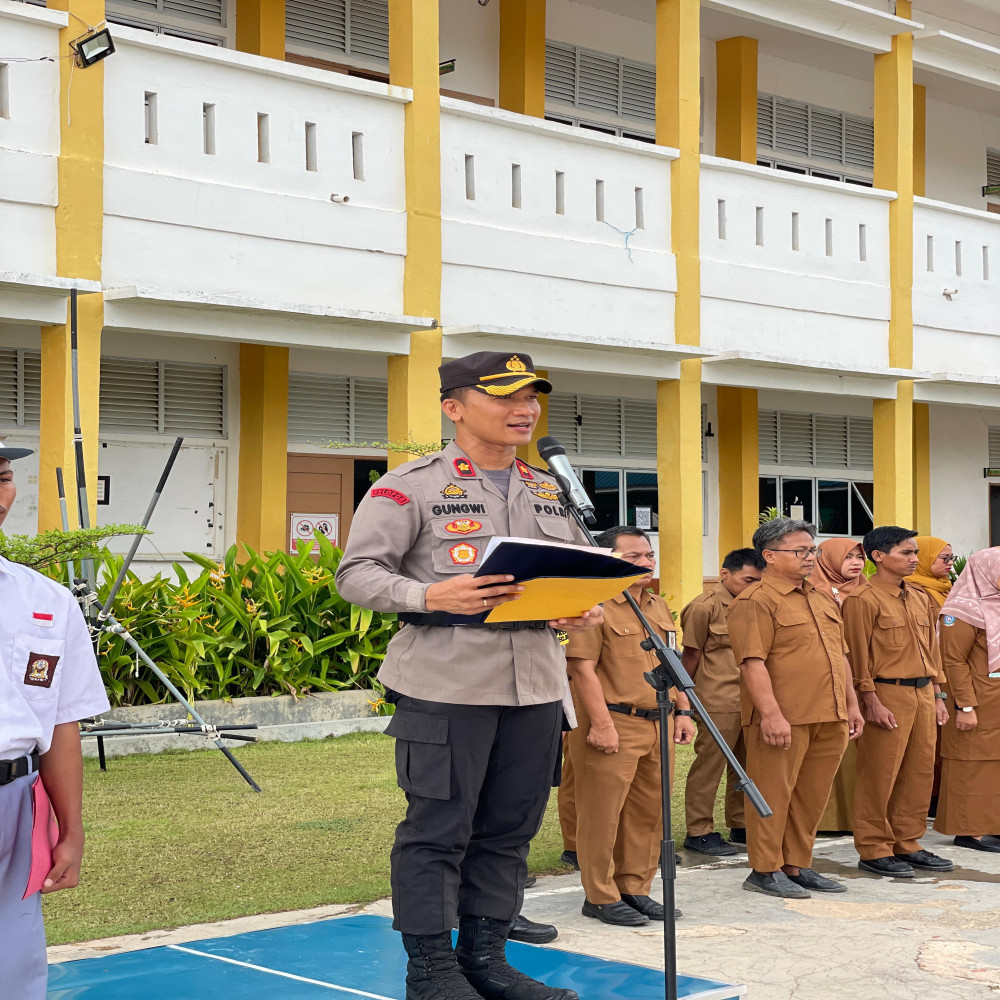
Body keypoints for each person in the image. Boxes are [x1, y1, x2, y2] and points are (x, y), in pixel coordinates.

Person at [335, 352, 602, 1000]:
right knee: (438, 830)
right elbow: (357, 574)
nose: (525, 409)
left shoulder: (549, 489)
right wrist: (431, 596)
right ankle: (431, 971)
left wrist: (575, 603)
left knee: (511, 828)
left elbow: (562, 570)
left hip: (535, 682)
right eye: (507, 396)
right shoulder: (410, 486)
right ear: (454, 406)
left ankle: (488, 958)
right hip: (446, 683)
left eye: (533, 397)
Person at [0, 439, 111, 1000]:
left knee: (14, 963)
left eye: (1, 478)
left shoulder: (47, 600)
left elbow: (62, 723)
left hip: (15, 801)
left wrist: (71, 830)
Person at [563, 526, 695, 926]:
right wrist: (601, 725)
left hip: (660, 720)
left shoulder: (655, 605)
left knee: (647, 812)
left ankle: (635, 888)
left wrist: (684, 709)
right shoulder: (592, 603)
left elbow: (671, 662)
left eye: (648, 555)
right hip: (614, 721)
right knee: (602, 814)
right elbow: (581, 669)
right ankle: (600, 896)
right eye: (632, 556)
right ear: (608, 559)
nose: (645, 563)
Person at [727, 518, 864, 899]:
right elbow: (752, 663)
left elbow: (841, 655)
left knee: (811, 795)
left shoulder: (821, 596)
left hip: (830, 712)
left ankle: (797, 864)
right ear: (769, 556)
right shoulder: (754, 601)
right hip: (784, 716)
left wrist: (851, 705)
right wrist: (771, 714)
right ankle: (765, 869)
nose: (810, 558)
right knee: (772, 794)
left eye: (812, 550)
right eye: (800, 551)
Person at [842, 526, 952, 877]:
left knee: (918, 771)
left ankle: (908, 841)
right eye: (906, 553)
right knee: (880, 771)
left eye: (915, 553)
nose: (914, 559)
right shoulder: (863, 600)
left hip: (922, 692)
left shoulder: (918, 596)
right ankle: (873, 846)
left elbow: (931, 652)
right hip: (886, 691)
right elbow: (856, 655)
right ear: (878, 556)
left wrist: (938, 695)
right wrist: (869, 700)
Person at [680, 548, 764, 857]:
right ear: (725, 574)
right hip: (717, 697)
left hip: (751, 696)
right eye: (747, 580)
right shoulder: (704, 607)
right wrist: (684, 700)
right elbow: (691, 655)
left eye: (758, 581)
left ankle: (740, 823)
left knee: (747, 764)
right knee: (710, 766)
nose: (752, 586)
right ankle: (699, 830)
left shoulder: (755, 605)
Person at [934, 549, 1000, 853]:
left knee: (993, 766)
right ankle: (970, 829)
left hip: (995, 699)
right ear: (986, 570)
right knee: (970, 762)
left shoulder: (996, 604)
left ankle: (992, 824)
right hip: (974, 699)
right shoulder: (961, 610)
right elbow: (953, 662)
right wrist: (965, 706)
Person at [810, 539, 867, 833]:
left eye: (859, 557)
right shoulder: (814, 592)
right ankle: (826, 821)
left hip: (865, 679)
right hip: (829, 680)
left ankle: (851, 818)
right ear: (828, 559)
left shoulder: (866, 590)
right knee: (830, 752)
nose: (856, 563)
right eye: (848, 557)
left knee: (856, 754)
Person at [906, 536, 955, 608]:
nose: (951, 562)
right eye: (944, 558)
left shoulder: (945, 585)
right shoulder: (910, 590)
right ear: (923, 559)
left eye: (951, 558)